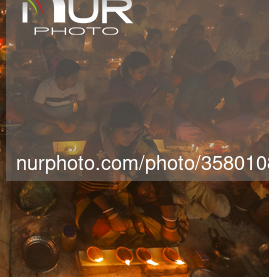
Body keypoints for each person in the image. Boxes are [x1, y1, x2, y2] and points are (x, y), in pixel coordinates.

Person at [76, 102, 186, 246]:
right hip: (99, 195)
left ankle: (133, 228)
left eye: (136, 131)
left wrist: (170, 224)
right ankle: (135, 228)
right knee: (90, 224)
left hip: (130, 189)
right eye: (126, 132)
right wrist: (112, 215)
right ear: (112, 128)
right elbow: (90, 187)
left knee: (174, 219)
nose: (131, 137)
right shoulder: (95, 145)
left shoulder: (141, 139)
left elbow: (159, 177)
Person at [172, 61, 255, 142]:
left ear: (228, 79)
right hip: (188, 117)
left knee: (248, 121)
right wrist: (207, 127)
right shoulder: (193, 82)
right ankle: (214, 134)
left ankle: (208, 134)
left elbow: (235, 110)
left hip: (209, 116)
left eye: (222, 80)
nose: (216, 82)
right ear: (210, 71)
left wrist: (211, 121)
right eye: (214, 77)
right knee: (181, 131)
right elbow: (181, 110)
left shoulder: (228, 84)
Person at [30, 59, 96, 140]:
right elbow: (34, 112)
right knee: (39, 129)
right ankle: (67, 135)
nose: (76, 81)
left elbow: (83, 107)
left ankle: (56, 137)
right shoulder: (45, 87)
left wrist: (75, 122)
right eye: (73, 79)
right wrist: (58, 121)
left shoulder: (78, 85)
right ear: (61, 79)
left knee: (92, 126)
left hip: (69, 119)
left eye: (77, 77)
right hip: (51, 122)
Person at [131, 181, 230, 220]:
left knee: (224, 212)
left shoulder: (167, 177)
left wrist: (162, 198)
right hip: (186, 201)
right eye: (147, 195)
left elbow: (184, 199)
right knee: (182, 213)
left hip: (195, 190)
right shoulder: (157, 198)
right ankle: (208, 209)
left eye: (149, 187)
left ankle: (220, 193)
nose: (152, 193)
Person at [136, 29, 180, 93]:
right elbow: (137, 66)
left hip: (158, 75)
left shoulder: (164, 50)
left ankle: (168, 98)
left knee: (172, 80)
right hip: (143, 75)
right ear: (148, 40)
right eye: (153, 38)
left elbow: (168, 67)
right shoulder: (141, 49)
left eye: (158, 38)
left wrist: (162, 74)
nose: (155, 41)